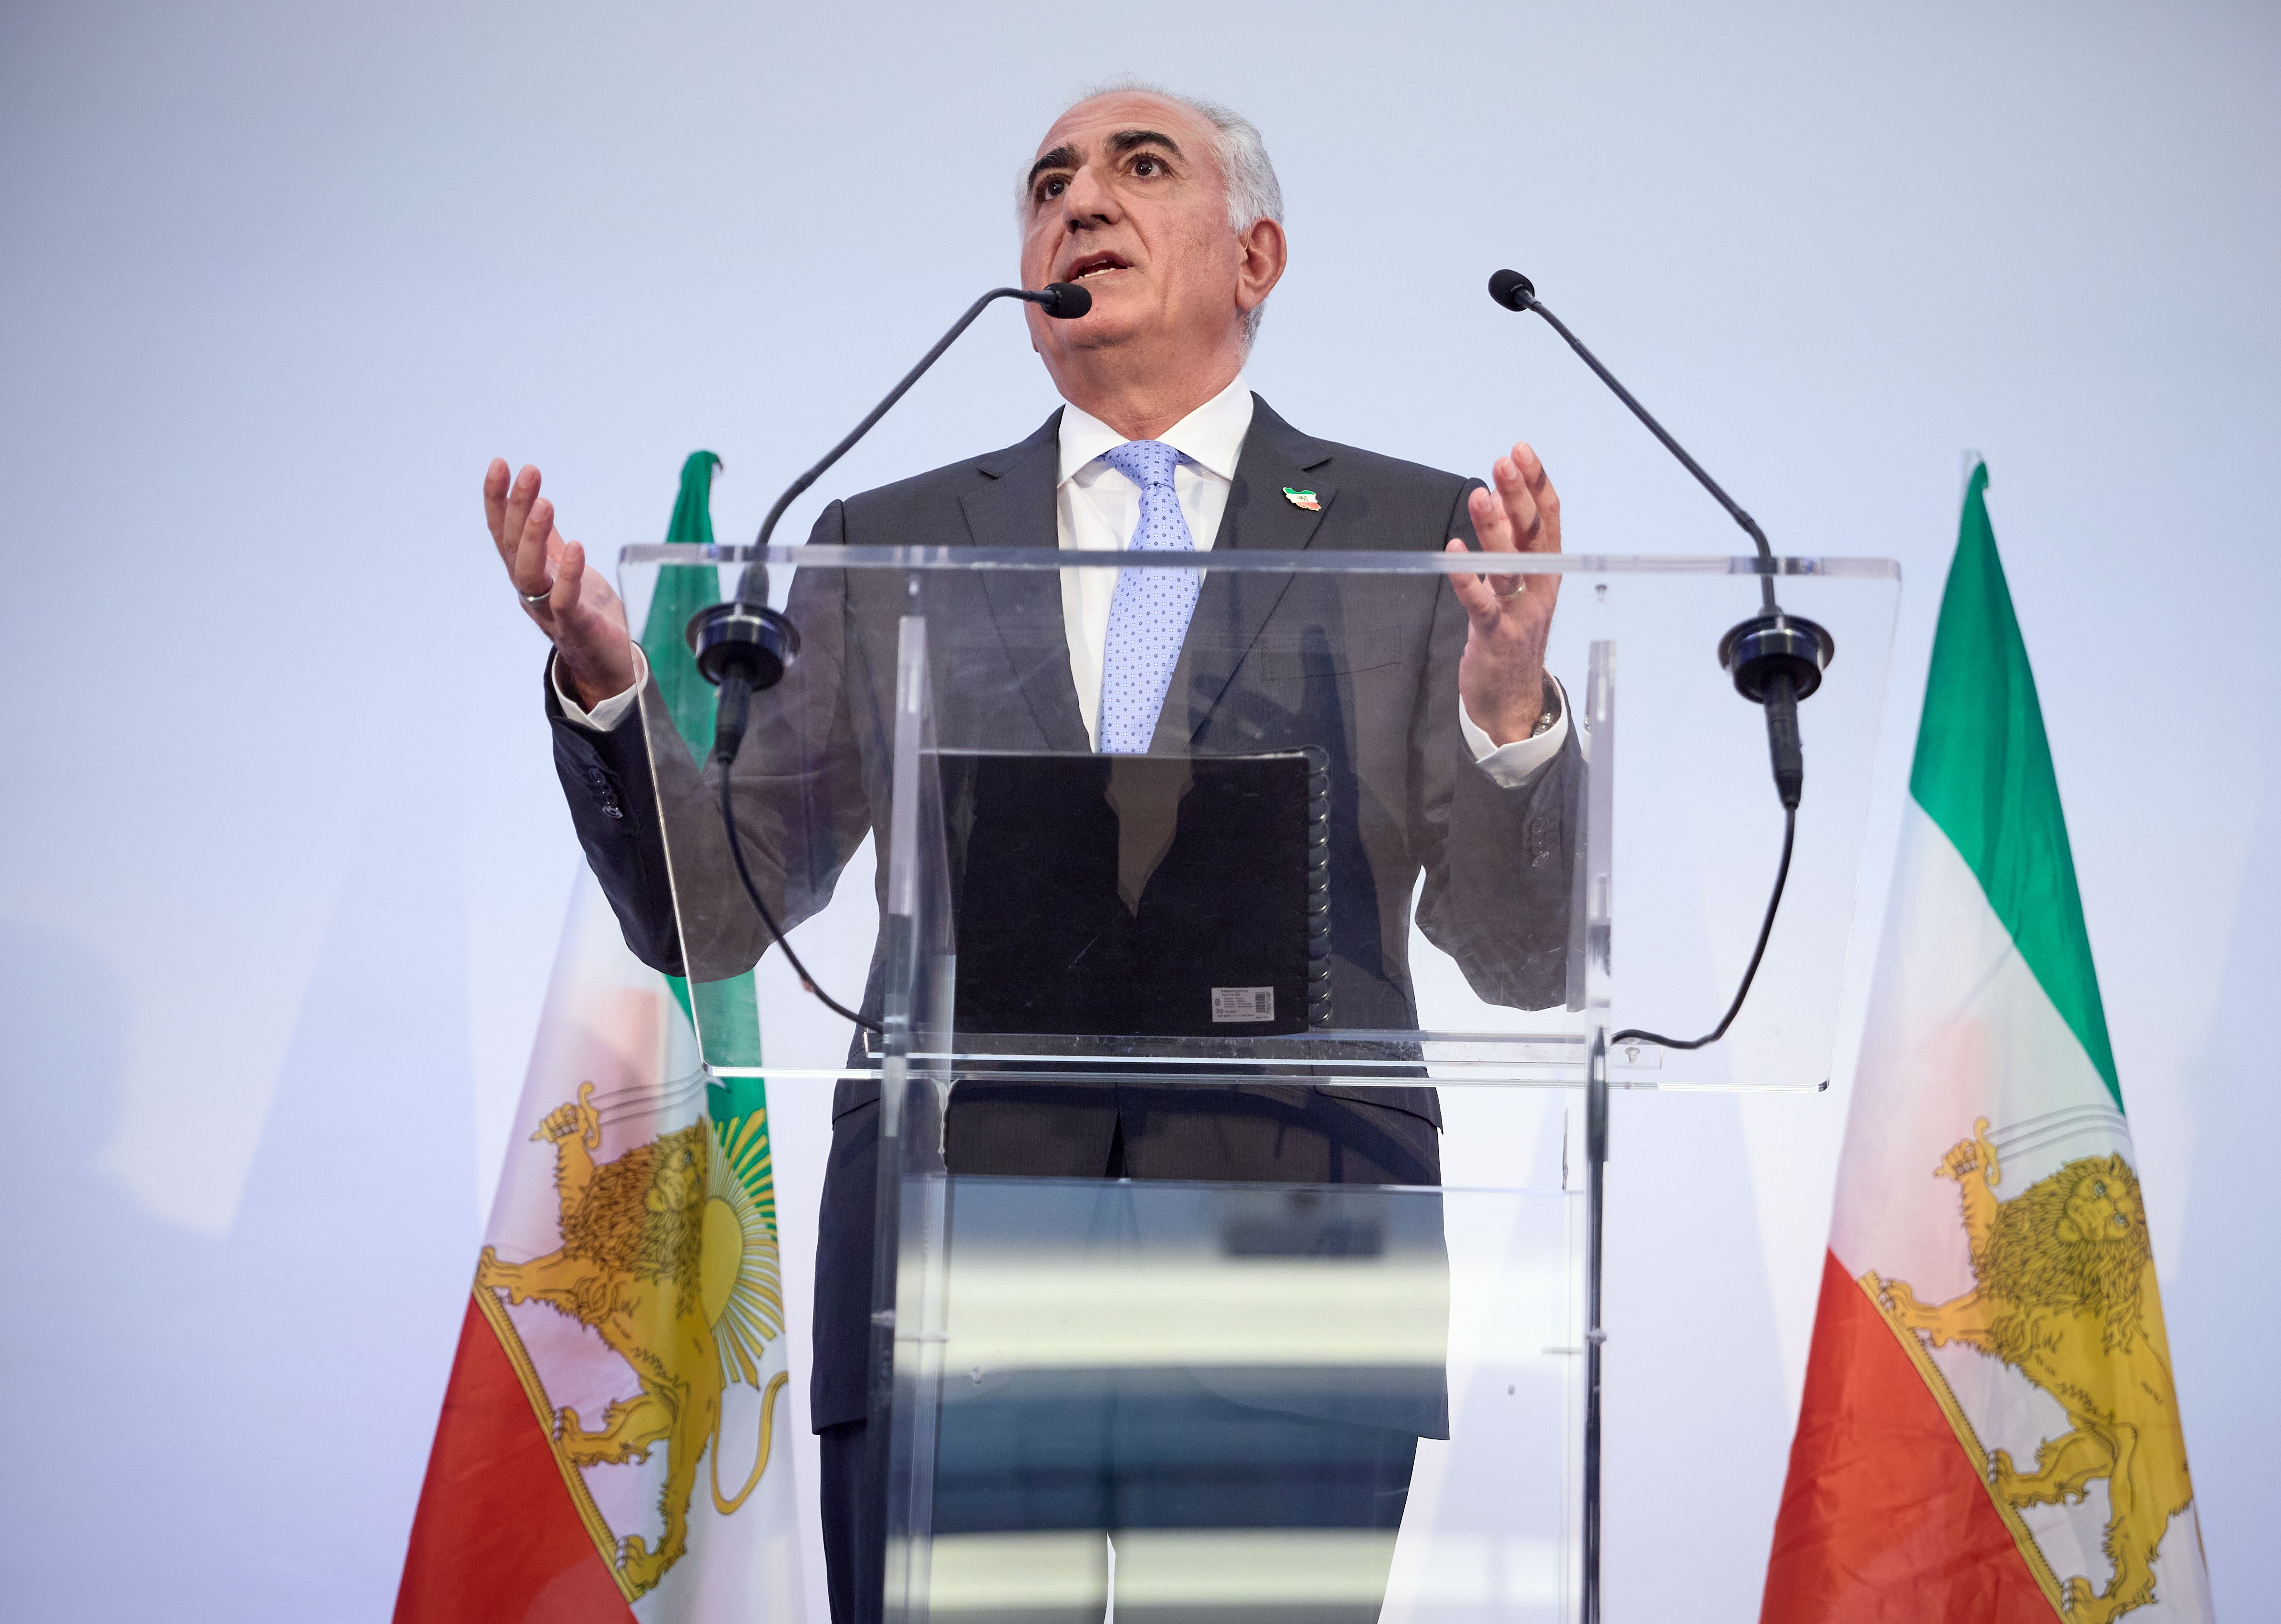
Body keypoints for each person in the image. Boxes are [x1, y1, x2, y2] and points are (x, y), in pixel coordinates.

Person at [484, 82, 1574, 1624]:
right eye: (1049, 181)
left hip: (1292, 1266)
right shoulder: (885, 539)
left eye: (1142, 168)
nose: (1079, 201)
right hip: (952, 1264)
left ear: (1255, 255)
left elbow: (1524, 956)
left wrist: (1507, 705)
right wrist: (611, 690)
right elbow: (714, 908)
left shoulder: (1417, 535)